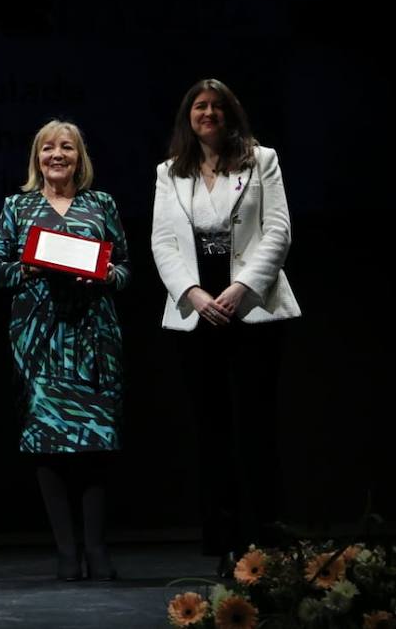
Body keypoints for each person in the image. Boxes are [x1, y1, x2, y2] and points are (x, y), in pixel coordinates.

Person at [150, 78, 299, 572]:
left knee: (256, 426)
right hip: (198, 309)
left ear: (231, 114)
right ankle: (224, 540)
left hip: (250, 307)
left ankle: (268, 538)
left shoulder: (262, 160)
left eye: (216, 106)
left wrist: (240, 290)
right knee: (211, 430)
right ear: (187, 117)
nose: (207, 113)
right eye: (199, 105)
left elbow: (277, 231)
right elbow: (162, 243)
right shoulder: (169, 172)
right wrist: (193, 293)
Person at [0, 120, 129, 581]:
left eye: (66, 147)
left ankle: (97, 548)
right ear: (37, 157)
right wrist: (30, 266)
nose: (57, 155)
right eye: (48, 148)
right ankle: (67, 552)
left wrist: (105, 275)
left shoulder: (100, 203)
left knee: (94, 443)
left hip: (93, 339)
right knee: (47, 445)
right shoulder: (18, 206)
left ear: (79, 157)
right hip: (39, 341)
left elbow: (124, 267)